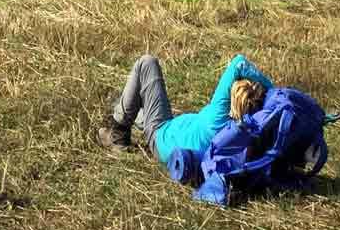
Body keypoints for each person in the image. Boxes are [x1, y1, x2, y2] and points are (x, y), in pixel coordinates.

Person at [96, 54, 273, 165]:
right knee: (140, 102)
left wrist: (272, 88)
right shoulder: (251, 131)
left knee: (147, 63)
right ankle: (125, 105)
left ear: (231, 97)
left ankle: (118, 133)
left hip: (161, 136)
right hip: (178, 138)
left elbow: (238, 63)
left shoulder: (218, 114)